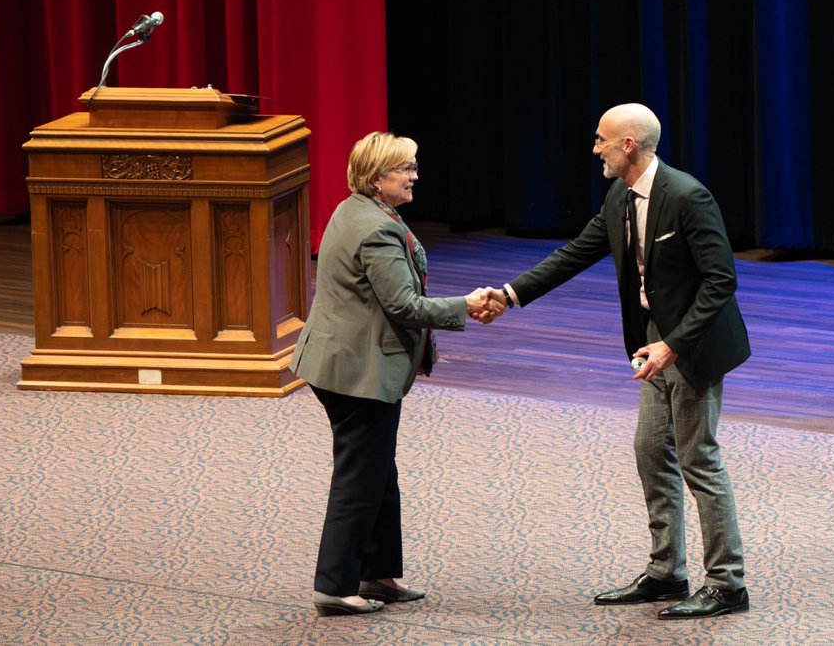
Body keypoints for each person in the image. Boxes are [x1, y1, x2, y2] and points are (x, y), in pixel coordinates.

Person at [484, 103, 750, 619]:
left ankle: (727, 584)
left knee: (700, 459)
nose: (595, 149)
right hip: (652, 341)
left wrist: (673, 344)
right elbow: (577, 251)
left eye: (601, 140)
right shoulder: (620, 195)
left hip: (691, 345)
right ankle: (666, 572)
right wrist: (509, 294)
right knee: (652, 452)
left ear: (628, 144)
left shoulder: (688, 196)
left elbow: (721, 281)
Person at [291, 131, 500, 616]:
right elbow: (404, 306)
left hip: (341, 362)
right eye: (405, 168)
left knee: (377, 472)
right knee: (360, 476)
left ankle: (375, 575)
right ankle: (335, 586)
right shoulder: (378, 228)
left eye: (414, 166)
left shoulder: (356, 209)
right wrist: (464, 306)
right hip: (356, 374)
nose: (414, 176)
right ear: (377, 177)